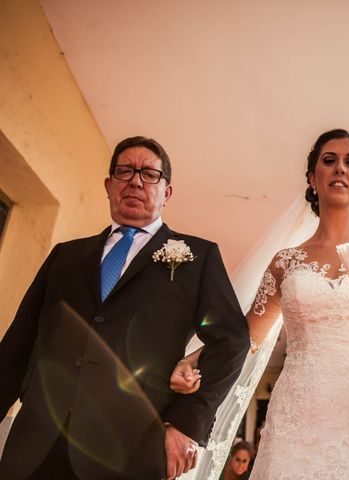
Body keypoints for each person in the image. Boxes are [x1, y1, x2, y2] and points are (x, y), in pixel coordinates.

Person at [173, 129, 349, 479]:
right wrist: (195, 358)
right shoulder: (286, 262)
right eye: (329, 161)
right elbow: (248, 337)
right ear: (313, 178)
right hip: (300, 417)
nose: (340, 168)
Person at [0, 136, 250, 479]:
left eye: (149, 174)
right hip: (37, 442)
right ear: (109, 185)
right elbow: (18, 345)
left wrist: (185, 424)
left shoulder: (199, 257)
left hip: (129, 450)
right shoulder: (65, 256)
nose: (135, 180)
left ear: (167, 192)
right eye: (124, 171)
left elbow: (232, 341)